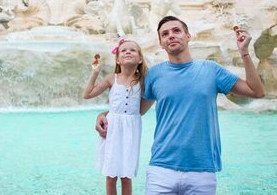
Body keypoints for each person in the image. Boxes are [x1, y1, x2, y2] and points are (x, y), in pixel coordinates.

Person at [96, 16, 264, 194]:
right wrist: (104, 115)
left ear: (188, 36)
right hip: (160, 169)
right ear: (161, 43)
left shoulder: (211, 70)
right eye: (165, 34)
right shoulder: (154, 74)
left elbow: (256, 91)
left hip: (202, 170)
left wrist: (244, 53)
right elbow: (134, 110)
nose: (171, 36)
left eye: (176, 31)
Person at [84, 39, 150, 195]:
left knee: (126, 176)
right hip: (112, 129)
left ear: (140, 59)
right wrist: (95, 73)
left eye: (133, 50)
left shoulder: (143, 81)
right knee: (111, 175)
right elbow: (87, 94)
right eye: (124, 50)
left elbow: (140, 109)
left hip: (131, 129)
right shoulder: (111, 78)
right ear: (118, 60)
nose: (128, 52)